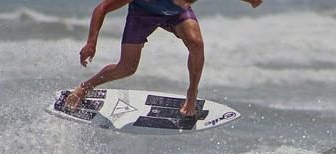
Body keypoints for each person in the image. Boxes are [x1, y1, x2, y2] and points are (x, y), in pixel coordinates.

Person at [64, 0, 263, 117]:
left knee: (196, 44)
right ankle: (85, 87)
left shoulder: (185, 3)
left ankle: (191, 94)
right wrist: (91, 43)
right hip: (143, 14)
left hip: (175, 15)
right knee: (127, 67)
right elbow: (102, 8)